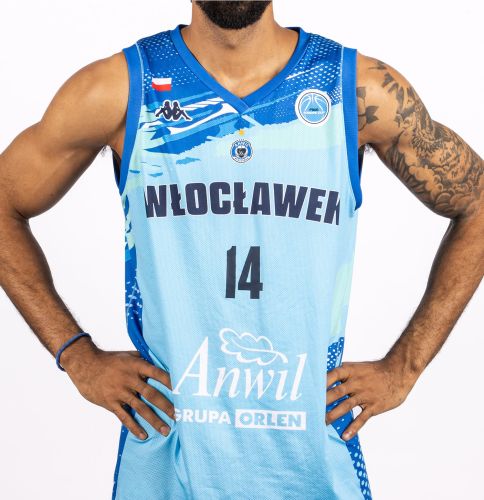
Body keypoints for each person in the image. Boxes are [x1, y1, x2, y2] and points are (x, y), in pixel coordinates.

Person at [0, 1, 482, 499]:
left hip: (310, 466)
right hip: (169, 465)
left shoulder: (355, 90)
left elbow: (478, 203)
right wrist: (76, 355)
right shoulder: (120, 88)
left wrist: (405, 367)